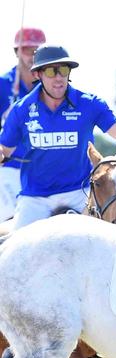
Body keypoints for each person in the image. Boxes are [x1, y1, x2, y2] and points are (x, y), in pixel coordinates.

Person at [0, 44, 116, 230]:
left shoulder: (89, 104)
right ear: (38, 75)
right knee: (14, 252)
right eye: (52, 71)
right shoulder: (21, 110)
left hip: (80, 193)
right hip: (35, 198)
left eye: (64, 70)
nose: (59, 77)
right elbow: (5, 148)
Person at [0, 27, 46, 223]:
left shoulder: (52, 85)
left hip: (44, 168)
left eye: (38, 50)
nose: (33, 56)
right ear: (17, 51)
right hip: (9, 166)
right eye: (27, 50)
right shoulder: (3, 85)